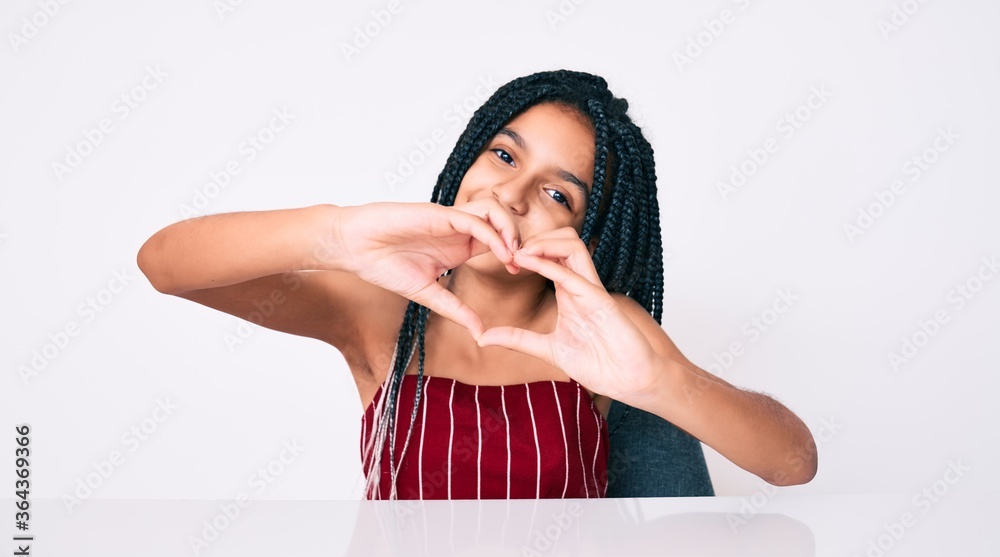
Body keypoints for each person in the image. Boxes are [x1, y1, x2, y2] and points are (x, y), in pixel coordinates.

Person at [137, 70, 817, 501]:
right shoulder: (382, 316)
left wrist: (665, 383)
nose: (512, 194)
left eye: (557, 192)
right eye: (503, 154)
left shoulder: (602, 329)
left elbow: (793, 462)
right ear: (468, 157)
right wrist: (338, 233)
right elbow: (163, 263)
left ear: (586, 232)